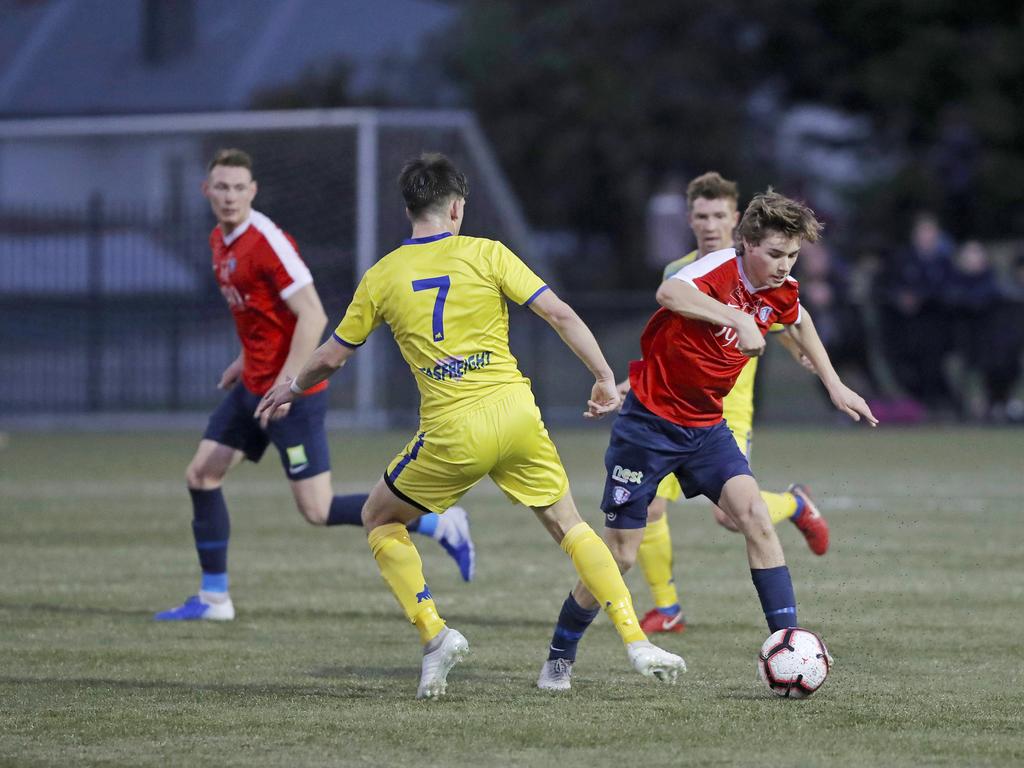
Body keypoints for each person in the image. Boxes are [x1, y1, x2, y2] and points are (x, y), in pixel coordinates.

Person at [258, 152, 686, 699]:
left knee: (378, 518)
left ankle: (436, 634)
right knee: (571, 526)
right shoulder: (488, 253)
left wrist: (290, 386)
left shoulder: (383, 275)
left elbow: (331, 358)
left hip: (454, 430)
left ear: (410, 208)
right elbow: (559, 313)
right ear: (457, 208)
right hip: (516, 415)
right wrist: (604, 377)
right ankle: (634, 639)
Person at [537, 190, 877, 691]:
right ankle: (559, 655)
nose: (784, 266)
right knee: (621, 557)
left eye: (792, 256)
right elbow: (670, 294)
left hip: (706, 428)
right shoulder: (718, 268)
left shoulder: (780, 287)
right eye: (775, 254)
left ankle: (788, 644)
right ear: (746, 245)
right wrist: (738, 317)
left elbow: (799, 318)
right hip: (648, 429)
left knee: (755, 518)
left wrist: (833, 383)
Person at [155, 149, 474, 622]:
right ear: (207, 190)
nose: (230, 196)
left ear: (253, 191)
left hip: (289, 393)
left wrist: (290, 383)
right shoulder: (220, 242)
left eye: (239, 187)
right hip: (255, 388)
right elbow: (263, 316)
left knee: (317, 509)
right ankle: (215, 598)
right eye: (221, 187)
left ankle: (437, 521)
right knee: (201, 474)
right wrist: (244, 361)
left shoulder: (266, 242)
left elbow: (313, 314)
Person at [623, 172, 831, 637]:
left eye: (719, 215)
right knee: (651, 506)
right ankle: (667, 605)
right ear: (689, 220)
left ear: (736, 221)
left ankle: (794, 505)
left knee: (729, 516)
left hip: (725, 411)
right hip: (673, 406)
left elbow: (777, 319)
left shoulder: (762, 268)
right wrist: (625, 385)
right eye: (701, 215)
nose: (710, 224)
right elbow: (670, 339)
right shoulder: (679, 271)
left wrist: (803, 353)